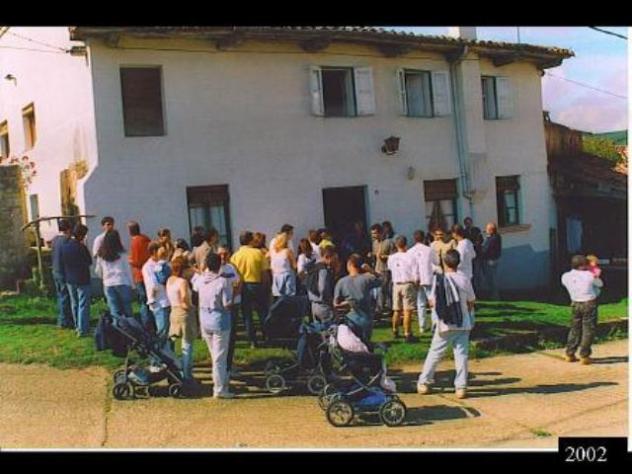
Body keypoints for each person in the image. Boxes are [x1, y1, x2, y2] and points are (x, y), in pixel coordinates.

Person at [417, 249, 476, 399]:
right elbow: (471, 301)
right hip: (462, 322)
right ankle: (461, 387)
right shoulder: (464, 279)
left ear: (444, 262)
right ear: (458, 263)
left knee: (435, 353)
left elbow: (433, 302)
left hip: (444, 324)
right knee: (461, 355)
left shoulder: (439, 280)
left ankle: (424, 382)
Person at [192, 252, 235, 399]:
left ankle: (221, 382)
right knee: (220, 357)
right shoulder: (223, 282)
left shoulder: (201, 280)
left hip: (204, 319)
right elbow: (227, 303)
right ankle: (219, 388)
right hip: (219, 320)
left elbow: (195, 288)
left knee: (215, 356)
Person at [561, 255, 603, 365]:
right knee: (588, 330)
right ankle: (584, 355)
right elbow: (600, 284)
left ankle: (570, 353)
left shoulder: (565, 276)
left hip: (575, 303)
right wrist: (594, 271)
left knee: (575, 329)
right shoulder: (590, 275)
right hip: (589, 303)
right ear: (582, 265)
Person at [230, 231, 270, 348]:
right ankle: (266, 335)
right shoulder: (258, 253)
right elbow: (264, 273)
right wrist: (266, 286)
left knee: (247, 314)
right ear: (250, 240)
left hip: (243, 286)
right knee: (262, 311)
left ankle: (252, 340)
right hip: (256, 284)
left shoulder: (235, 256)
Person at [333, 254, 383, 343]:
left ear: (350, 265)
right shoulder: (367, 279)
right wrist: (371, 270)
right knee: (365, 344)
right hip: (366, 318)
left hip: (350, 319)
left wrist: (348, 303)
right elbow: (382, 280)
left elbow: (336, 304)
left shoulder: (341, 282)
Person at [166, 256, 197, 382]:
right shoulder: (183, 282)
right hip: (184, 313)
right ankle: (187, 373)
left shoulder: (170, 280)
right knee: (187, 344)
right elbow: (184, 298)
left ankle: (177, 367)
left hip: (174, 312)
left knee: (175, 342)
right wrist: (190, 306)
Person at [60, 224, 92, 337]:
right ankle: (83, 329)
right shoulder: (81, 247)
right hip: (82, 278)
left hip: (70, 278)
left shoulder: (65, 246)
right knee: (83, 304)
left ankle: (77, 326)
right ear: (81, 235)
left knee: (74, 303)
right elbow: (89, 261)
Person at [96, 230, 135, 319]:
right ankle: (130, 325)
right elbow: (127, 270)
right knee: (127, 308)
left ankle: (117, 325)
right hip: (122, 281)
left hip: (108, 283)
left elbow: (98, 271)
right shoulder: (122, 254)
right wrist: (132, 285)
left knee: (114, 309)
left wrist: (103, 278)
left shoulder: (101, 255)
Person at [218, 245, 243, 378]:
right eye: (220, 254)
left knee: (232, 336)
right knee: (222, 338)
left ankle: (229, 364)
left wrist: (233, 297)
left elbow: (239, 282)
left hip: (233, 305)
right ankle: (223, 366)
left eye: (225, 254)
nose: (223, 256)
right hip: (221, 307)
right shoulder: (214, 269)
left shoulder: (231, 267)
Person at [387, 236, 417, 342]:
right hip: (407, 283)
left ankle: (395, 330)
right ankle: (407, 333)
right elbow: (414, 272)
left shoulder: (391, 257)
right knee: (407, 310)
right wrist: (416, 282)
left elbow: (390, 268)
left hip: (396, 284)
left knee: (397, 310)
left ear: (396, 245)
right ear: (406, 244)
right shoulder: (410, 257)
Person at [142, 241, 171, 339]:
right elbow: (153, 285)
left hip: (168, 300)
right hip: (159, 302)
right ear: (154, 251)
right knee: (163, 332)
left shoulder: (164, 263)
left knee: (170, 333)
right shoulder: (148, 267)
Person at [407, 230, 435, 334]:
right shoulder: (429, 250)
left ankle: (422, 326)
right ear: (424, 238)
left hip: (416, 279)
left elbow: (409, 266)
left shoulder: (410, 251)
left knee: (420, 303)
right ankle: (434, 325)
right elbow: (436, 262)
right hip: (428, 278)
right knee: (432, 302)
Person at [128, 221, 153, 329]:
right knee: (150, 299)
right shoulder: (146, 239)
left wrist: (129, 260)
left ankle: (146, 324)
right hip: (149, 273)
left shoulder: (135, 242)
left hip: (139, 274)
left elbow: (137, 261)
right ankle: (153, 322)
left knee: (143, 301)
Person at [51, 219, 74, 329]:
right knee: (66, 296)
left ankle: (61, 318)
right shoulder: (67, 240)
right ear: (68, 229)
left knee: (60, 295)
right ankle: (65, 321)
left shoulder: (55, 239)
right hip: (64, 271)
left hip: (55, 270)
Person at [306, 246, 338, 322]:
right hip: (323, 305)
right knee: (331, 326)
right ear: (327, 257)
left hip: (313, 305)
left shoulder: (312, 268)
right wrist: (330, 301)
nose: (335, 261)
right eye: (334, 259)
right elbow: (323, 288)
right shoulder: (323, 270)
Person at [369, 223, 394, 316]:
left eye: (375, 233)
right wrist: (372, 255)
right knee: (380, 289)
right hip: (377, 269)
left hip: (386, 269)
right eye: (372, 233)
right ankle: (382, 308)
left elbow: (394, 256)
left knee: (385, 289)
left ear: (380, 233)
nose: (373, 235)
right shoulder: (374, 243)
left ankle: (385, 308)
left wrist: (385, 257)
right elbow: (375, 255)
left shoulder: (388, 242)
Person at [270, 232, 297, 298]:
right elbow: (294, 265)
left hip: (276, 276)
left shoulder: (273, 252)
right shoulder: (288, 251)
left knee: (278, 297)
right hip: (287, 276)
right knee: (289, 298)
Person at [481, 222, 502, 300]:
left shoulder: (492, 239)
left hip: (490, 261)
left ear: (491, 230)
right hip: (494, 259)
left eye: (487, 229)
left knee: (491, 279)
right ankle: (494, 294)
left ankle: (495, 295)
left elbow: (485, 249)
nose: (486, 230)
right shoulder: (497, 236)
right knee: (492, 278)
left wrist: (481, 245)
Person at [463, 217, 484, 292]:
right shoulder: (464, 232)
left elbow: (481, 239)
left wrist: (476, 243)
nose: (468, 225)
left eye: (470, 223)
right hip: (468, 256)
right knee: (470, 273)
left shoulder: (476, 230)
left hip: (477, 254)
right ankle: (472, 289)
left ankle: (479, 289)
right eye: (467, 223)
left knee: (477, 273)